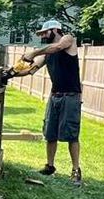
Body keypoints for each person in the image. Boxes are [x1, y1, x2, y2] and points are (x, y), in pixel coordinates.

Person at [21, 19, 83, 184]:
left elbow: (57, 47)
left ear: (55, 30)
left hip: (71, 96)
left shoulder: (68, 40)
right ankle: (50, 166)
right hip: (55, 96)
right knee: (50, 133)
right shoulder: (47, 54)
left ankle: (76, 170)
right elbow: (31, 70)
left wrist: (33, 53)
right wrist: (10, 73)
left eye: (44, 33)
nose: (42, 36)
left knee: (72, 134)